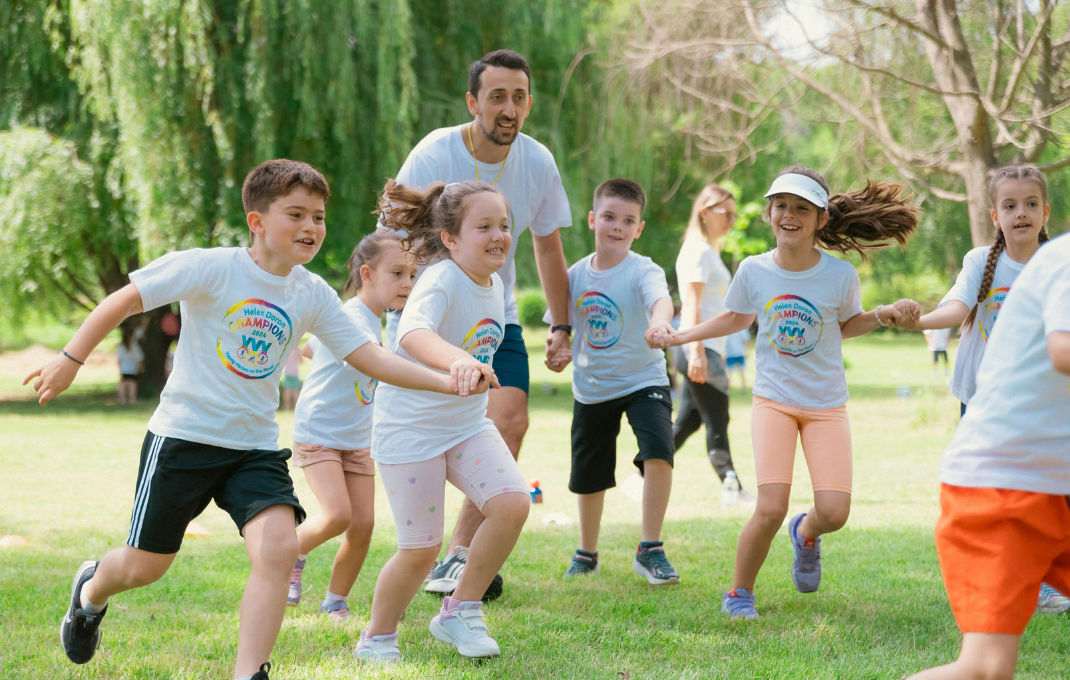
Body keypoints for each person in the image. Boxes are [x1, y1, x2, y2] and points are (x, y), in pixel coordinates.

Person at [27, 159, 480, 680]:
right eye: (296, 215)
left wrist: (447, 379)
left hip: (254, 450)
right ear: (257, 221)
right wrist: (70, 358)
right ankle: (90, 590)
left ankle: (250, 674)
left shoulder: (311, 292)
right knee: (143, 566)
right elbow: (126, 300)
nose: (311, 227)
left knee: (279, 548)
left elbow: (371, 357)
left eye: (319, 217)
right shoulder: (211, 267)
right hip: (184, 438)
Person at [649, 166, 918, 618]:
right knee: (769, 507)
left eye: (801, 208)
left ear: (820, 220)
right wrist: (680, 336)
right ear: (770, 213)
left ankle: (806, 532)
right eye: (781, 206)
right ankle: (739, 593)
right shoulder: (753, 270)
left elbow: (846, 324)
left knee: (834, 511)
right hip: (773, 400)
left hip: (825, 404)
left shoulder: (839, 276)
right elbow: (735, 318)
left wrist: (882, 313)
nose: (788, 215)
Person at [381, 50, 572, 598]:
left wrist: (561, 323)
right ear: (473, 102)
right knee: (432, 427)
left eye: (519, 97)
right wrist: (391, 314)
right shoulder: (435, 150)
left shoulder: (538, 162)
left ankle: (458, 557)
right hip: (429, 315)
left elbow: (548, 245)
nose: (509, 108)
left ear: (529, 103)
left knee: (509, 419)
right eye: (497, 96)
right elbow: (392, 236)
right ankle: (420, 547)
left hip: (497, 317)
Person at [357, 179, 529, 663]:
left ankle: (461, 610)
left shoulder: (494, 283)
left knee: (513, 504)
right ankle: (377, 637)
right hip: (411, 430)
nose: (498, 235)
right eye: (484, 227)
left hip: (466, 424)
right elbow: (412, 333)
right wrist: (457, 361)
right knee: (420, 551)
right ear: (451, 238)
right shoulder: (440, 278)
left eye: (504, 225)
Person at [897, 165, 1067, 614]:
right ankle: (996, 580)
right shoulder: (980, 262)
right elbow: (956, 310)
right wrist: (920, 321)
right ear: (995, 215)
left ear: (1046, 211)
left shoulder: (1057, 265)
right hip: (983, 402)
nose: (1021, 214)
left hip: (1039, 405)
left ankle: (1046, 580)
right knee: (993, 499)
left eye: (1031, 204)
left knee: (1045, 495)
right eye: (1009, 206)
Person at [286, 232, 418, 621]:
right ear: (367, 274)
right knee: (338, 515)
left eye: (412, 275)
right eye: (397, 273)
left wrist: (315, 353)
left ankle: (335, 600)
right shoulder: (350, 316)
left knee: (362, 525)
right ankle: (291, 550)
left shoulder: (369, 319)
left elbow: (311, 348)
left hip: (357, 438)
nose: (408, 284)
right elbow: (375, 362)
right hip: (320, 434)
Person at [552, 179, 678, 584]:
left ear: (639, 228)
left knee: (659, 450)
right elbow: (562, 329)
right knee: (589, 473)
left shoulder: (644, 270)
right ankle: (587, 552)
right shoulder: (573, 276)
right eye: (609, 217)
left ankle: (650, 548)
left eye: (628, 220)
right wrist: (558, 351)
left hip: (644, 378)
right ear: (592, 220)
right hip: (592, 386)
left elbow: (660, 300)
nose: (617, 227)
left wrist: (660, 321)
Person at [671, 183, 749, 495]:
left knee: (688, 423)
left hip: (705, 347)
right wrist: (697, 352)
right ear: (704, 212)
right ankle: (734, 488)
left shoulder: (708, 251)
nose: (731, 220)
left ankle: (641, 472)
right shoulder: (697, 250)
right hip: (699, 347)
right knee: (718, 419)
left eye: (734, 213)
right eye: (725, 213)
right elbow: (692, 304)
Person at [116, 325, 144, 405]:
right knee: (132, 385)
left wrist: (120, 369)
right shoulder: (135, 347)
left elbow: (119, 359)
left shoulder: (121, 347)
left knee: (123, 385)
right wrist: (141, 367)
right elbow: (139, 359)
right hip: (132, 369)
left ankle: (122, 400)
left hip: (124, 369)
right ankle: (132, 400)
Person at [282, 341, 303, 410]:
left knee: (287, 391)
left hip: (287, 372)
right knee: (296, 391)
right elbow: (301, 360)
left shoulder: (286, 351)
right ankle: (295, 407)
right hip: (295, 373)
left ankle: (287, 408)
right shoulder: (297, 350)